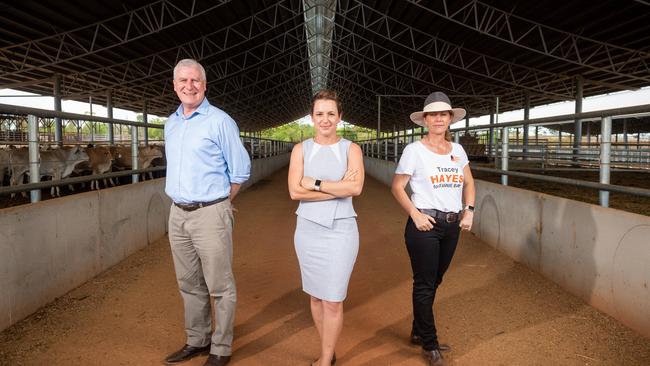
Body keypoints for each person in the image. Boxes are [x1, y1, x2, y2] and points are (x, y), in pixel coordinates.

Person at [163, 59, 251, 366]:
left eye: (195, 80)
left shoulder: (220, 121)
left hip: (209, 213)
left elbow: (240, 171)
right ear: (174, 86)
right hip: (177, 213)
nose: (189, 85)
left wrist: (220, 205)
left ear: (205, 85)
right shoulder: (170, 123)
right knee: (188, 282)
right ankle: (197, 340)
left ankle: (221, 347)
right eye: (183, 81)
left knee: (220, 285)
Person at [391, 92, 476, 366]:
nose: (438, 119)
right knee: (425, 284)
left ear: (450, 119)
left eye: (443, 114)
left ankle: (418, 329)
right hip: (425, 224)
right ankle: (430, 343)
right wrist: (415, 214)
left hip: (451, 226)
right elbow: (397, 187)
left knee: (435, 280)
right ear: (425, 120)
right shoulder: (414, 151)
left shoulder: (458, 150)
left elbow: (469, 183)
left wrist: (469, 210)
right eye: (433, 115)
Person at [288, 90, 364, 366]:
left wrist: (316, 183)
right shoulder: (301, 149)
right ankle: (327, 352)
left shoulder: (351, 149)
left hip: (341, 230)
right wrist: (338, 188)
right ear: (311, 117)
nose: (325, 119)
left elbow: (355, 187)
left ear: (340, 117)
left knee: (332, 300)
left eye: (331, 113)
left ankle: (324, 358)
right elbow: (295, 192)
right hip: (307, 229)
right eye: (319, 113)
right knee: (316, 298)